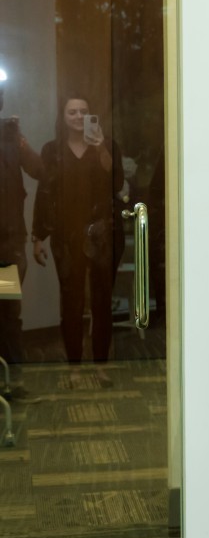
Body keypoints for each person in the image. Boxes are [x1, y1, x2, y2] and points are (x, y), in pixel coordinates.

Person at [31, 96, 125, 386]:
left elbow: (117, 183)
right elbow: (45, 192)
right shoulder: (51, 150)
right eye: (72, 111)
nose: (78, 115)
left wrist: (100, 150)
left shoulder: (107, 145)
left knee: (101, 302)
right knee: (70, 302)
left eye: (84, 111)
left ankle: (100, 367)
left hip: (104, 234)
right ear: (63, 116)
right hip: (66, 237)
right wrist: (38, 236)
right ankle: (73, 368)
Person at [0, 83, 44, 391]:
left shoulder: (12, 139)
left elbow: (40, 171)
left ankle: (12, 382)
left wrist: (21, 144)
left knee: (6, 312)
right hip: (8, 243)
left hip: (7, 245)